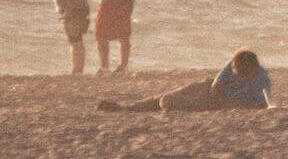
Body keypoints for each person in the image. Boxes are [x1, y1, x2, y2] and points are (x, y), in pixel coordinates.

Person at [97, 48, 273, 113]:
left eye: (242, 73)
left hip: (222, 102)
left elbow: (261, 105)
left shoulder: (261, 80)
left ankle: (167, 104)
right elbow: (218, 82)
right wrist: (217, 91)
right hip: (211, 89)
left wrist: (227, 102)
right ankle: (127, 108)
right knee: (169, 95)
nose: (238, 75)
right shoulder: (235, 61)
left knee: (168, 102)